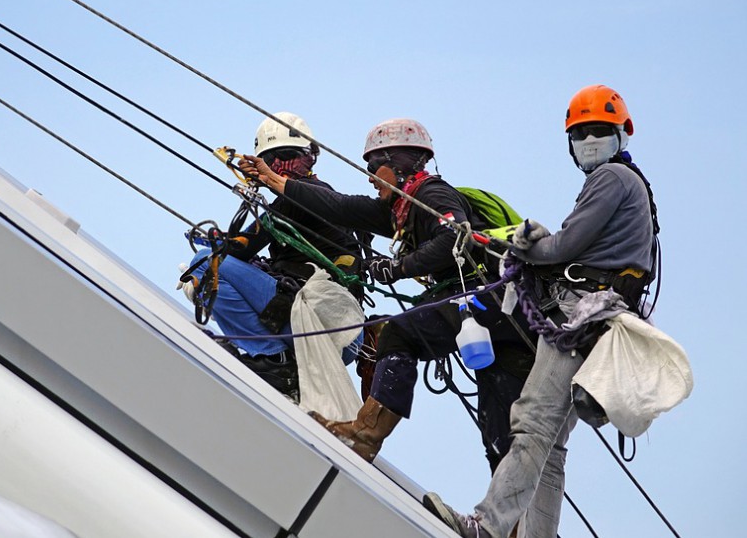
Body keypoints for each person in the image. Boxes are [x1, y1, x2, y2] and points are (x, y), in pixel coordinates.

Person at [423, 85, 658, 537]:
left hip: (584, 317)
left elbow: (565, 247)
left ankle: (486, 527)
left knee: (531, 421)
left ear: (620, 134)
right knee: (550, 447)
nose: (589, 139)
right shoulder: (634, 185)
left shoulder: (610, 178)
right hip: (601, 321)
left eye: (597, 130)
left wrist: (521, 246)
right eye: (581, 132)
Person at [240, 118, 537, 467]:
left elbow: (452, 237)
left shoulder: (431, 194)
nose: (368, 176)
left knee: (399, 332)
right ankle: (509, 522)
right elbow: (339, 206)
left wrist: (399, 268)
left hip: (489, 298)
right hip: (500, 315)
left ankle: (365, 433)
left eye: (372, 166)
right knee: (497, 424)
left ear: (399, 162)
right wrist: (277, 181)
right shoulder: (399, 209)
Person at [186, 112, 363, 402]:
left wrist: (218, 242)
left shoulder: (302, 196)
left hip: (321, 321)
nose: (279, 167)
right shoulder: (322, 198)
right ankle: (282, 365)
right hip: (340, 333)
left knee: (206, 263)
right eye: (270, 161)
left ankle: (271, 358)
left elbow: (242, 245)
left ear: (310, 158)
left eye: (287, 156)